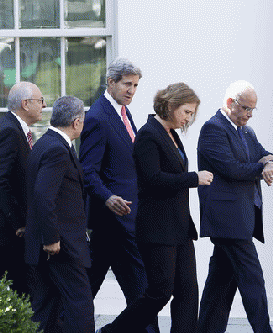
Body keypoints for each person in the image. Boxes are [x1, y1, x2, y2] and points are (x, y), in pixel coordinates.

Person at [96, 82, 213, 333]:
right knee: (160, 292)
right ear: (170, 106)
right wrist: (194, 178)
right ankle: (112, 331)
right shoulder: (149, 135)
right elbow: (153, 180)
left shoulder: (172, 135)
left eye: (192, 113)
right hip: (157, 229)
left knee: (188, 293)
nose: (189, 118)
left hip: (180, 228)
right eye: (186, 112)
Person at [197, 80, 273, 333]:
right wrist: (264, 165)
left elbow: (267, 155)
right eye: (245, 108)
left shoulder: (247, 132)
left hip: (241, 218)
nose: (248, 114)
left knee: (220, 284)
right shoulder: (213, 129)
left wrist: (270, 163)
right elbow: (232, 169)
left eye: (252, 110)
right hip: (227, 220)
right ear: (229, 103)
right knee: (253, 279)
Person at [79, 57, 158, 332]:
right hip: (113, 219)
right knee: (143, 290)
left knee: (88, 287)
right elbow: (87, 170)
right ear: (110, 82)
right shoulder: (98, 117)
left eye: (135, 85)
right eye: (127, 84)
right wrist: (108, 198)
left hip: (126, 219)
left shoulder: (123, 113)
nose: (132, 91)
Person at [25, 95, 94, 333]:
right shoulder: (57, 149)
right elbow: (44, 195)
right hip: (61, 246)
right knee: (80, 306)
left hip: (49, 245)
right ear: (76, 122)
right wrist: (52, 238)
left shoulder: (45, 143)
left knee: (48, 310)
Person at [0, 81, 46, 295]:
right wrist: (18, 222)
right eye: (40, 100)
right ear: (25, 104)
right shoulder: (9, 131)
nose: (43, 105)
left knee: (20, 290)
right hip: (3, 231)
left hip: (7, 231)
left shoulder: (13, 128)